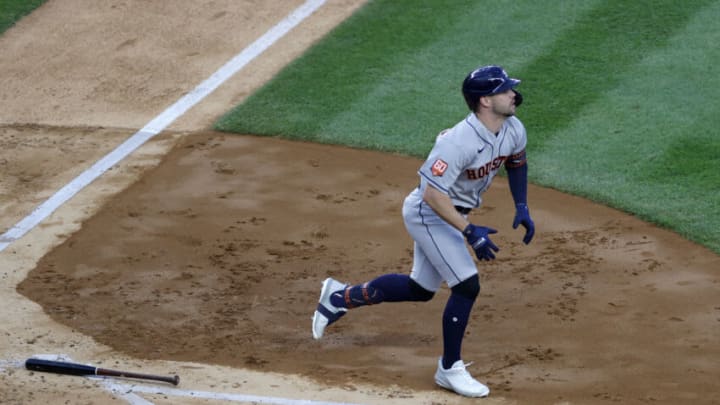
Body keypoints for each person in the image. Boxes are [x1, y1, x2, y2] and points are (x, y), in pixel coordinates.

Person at [311, 65, 535, 398]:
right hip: (428, 213)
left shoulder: (513, 127)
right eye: (505, 90)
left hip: (452, 213)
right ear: (485, 101)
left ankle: (339, 297)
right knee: (466, 284)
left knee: (421, 288)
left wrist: (522, 206)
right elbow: (432, 194)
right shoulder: (458, 142)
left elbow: (517, 162)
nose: (513, 94)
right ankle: (449, 368)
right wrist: (470, 231)